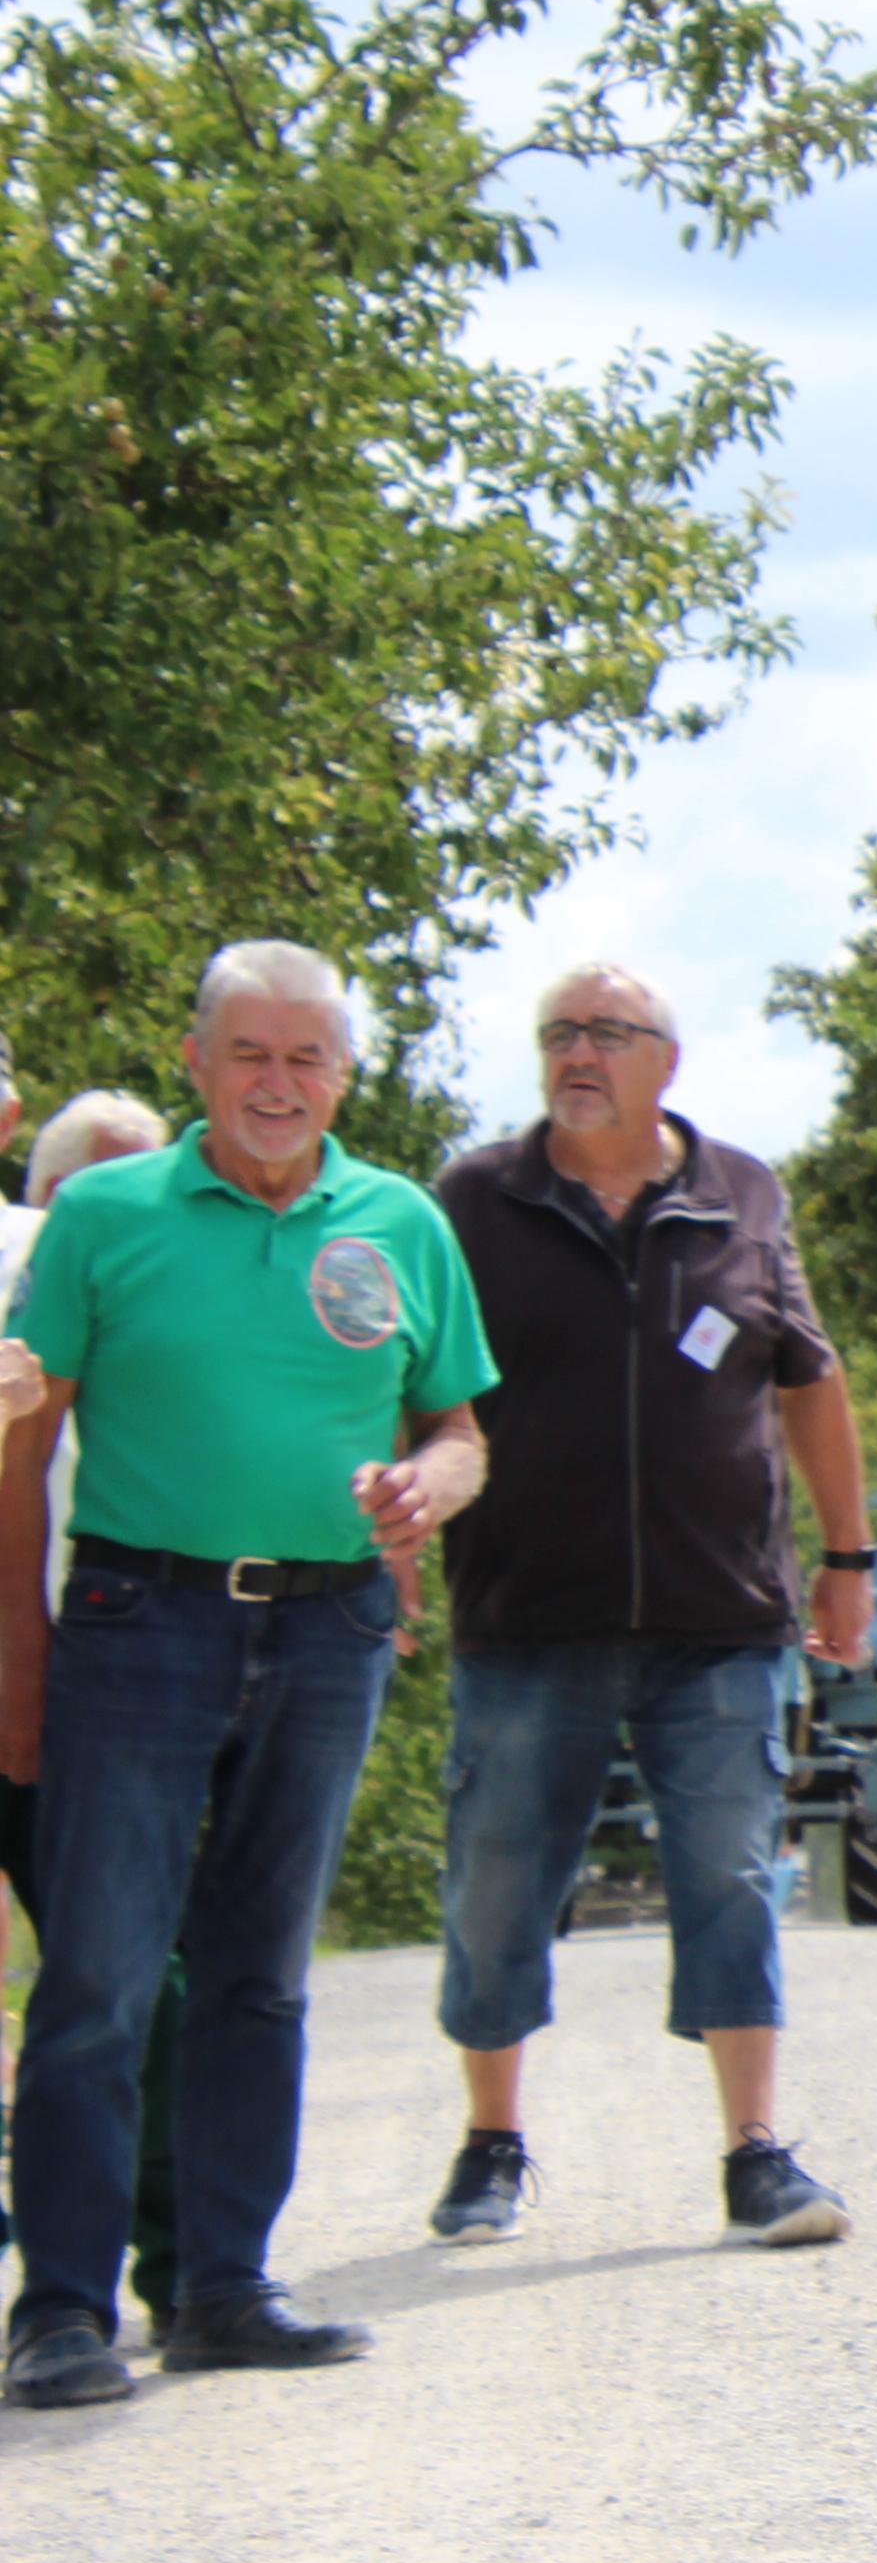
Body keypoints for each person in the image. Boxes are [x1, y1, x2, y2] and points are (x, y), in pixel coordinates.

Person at [0, 944, 494, 2408]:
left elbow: (460, 1429)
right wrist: (18, 1654)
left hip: (330, 1631)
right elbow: (24, 1447)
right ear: (197, 1063)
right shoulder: (103, 1217)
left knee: (260, 1977)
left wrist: (430, 1488)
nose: (280, 1085)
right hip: (138, 1620)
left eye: (307, 1058)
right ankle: (62, 2310)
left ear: (343, 1074)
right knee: (97, 1975)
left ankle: (222, 2287)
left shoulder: (401, 1222)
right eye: (252, 1055)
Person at [421, 964, 862, 2252]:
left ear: (666, 1060)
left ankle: (756, 2155)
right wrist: (393, 1539)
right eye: (560, 1031)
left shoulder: (745, 1194)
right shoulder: (473, 1199)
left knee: (731, 1877)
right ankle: (491, 2144)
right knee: (497, 1885)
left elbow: (809, 1379)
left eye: (608, 1033)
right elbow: (419, 1379)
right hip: (525, 1613)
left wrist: (849, 1555)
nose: (579, 1052)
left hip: (719, 1614)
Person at [0, 1090, 169, 2310]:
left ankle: (175, 2259)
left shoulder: (153, 1286)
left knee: (122, 1974)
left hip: (104, 1673)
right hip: (37, 1666)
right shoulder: (33, 1259)